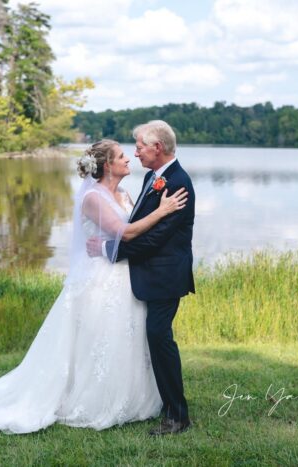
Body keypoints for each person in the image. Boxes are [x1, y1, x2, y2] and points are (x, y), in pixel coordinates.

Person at [0, 139, 187, 434]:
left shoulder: (124, 193)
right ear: (107, 165)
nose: (128, 159)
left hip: (125, 278)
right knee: (97, 339)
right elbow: (124, 232)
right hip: (100, 281)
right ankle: (93, 399)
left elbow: (128, 234)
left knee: (125, 337)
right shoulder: (93, 198)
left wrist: (157, 211)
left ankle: (132, 397)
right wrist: (163, 210)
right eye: (121, 156)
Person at [87, 120, 195, 435]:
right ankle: (163, 404)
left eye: (139, 147)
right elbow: (138, 225)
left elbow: (154, 239)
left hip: (165, 276)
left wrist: (109, 249)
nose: (135, 154)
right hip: (149, 275)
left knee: (160, 338)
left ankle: (177, 415)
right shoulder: (153, 177)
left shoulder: (178, 183)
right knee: (153, 338)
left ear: (157, 148)